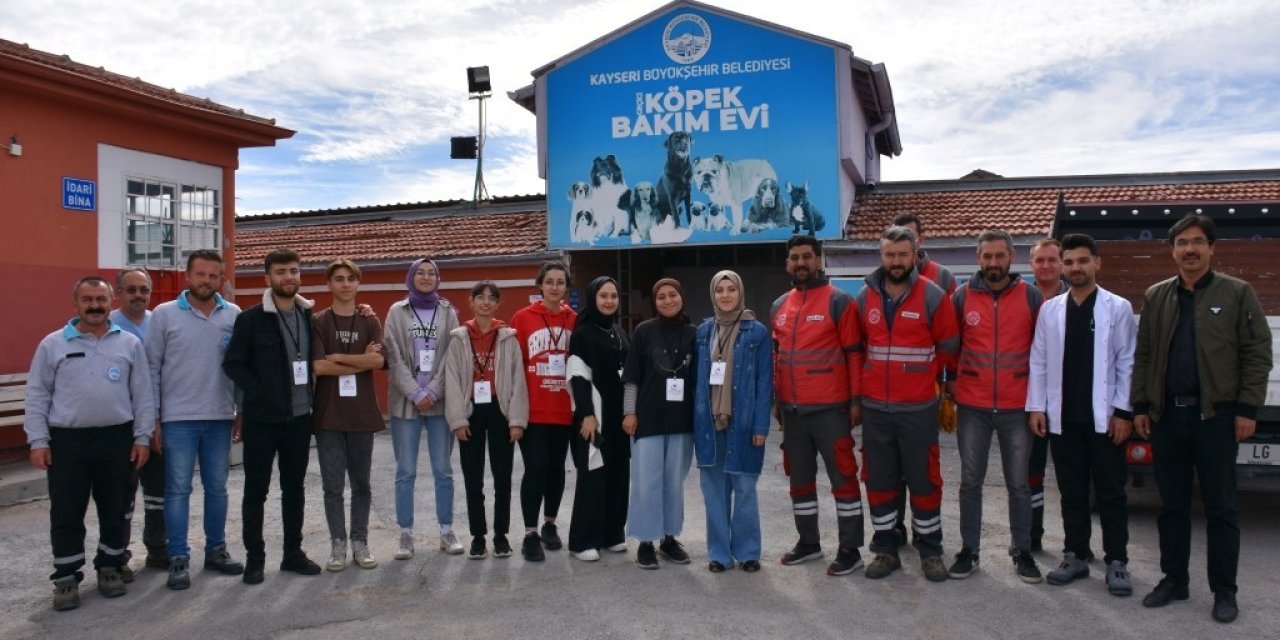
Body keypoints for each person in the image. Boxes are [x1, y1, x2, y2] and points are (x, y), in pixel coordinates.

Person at [1132, 214, 1271, 624]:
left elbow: (1257, 352)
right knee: (1171, 505)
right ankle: (1174, 579)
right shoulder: (1157, 295)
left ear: (1212, 248)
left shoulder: (1237, 293)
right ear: (1172, 250)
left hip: (1217, 417)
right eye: (1182, 243)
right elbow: (1144, 355)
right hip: (1168, 419)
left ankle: (1224, 591)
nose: (1189, 249)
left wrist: (1247, 409)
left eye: (1197, 242)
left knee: (1221, 507)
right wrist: (1141, 405)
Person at [25, 276, 154, 611]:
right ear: (75, 303)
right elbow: (38, 395)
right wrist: (38, 440)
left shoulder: (129, 344)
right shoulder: (52, 345)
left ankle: (110, 566)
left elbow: (142, 395)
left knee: (116, 506)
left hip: (117, 437)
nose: (95, 305)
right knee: (67, 510)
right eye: (88, 299)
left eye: (101, 299)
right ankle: (66, 577)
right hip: (68, 440)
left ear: (112, 300)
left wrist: (142, 437)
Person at [1026, 233, 1136, 596]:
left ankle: (1117, 560)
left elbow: (1127, 363)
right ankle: (1075, 554)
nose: (1075, 268)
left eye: (1082, 261)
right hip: (1063, 418)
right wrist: (1037, 407)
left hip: (1105, 419)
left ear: (1097, 263)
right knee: (1071, 491)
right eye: (1069, 262)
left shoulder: (1116, 307)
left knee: (1110, 491)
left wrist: (1123, 412)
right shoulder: (1051, 309)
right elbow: (1039, 360)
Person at [857, 226, 959, 582]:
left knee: (924, 480)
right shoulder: (864, 297)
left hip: (917, 407)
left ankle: (930, 550)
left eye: (902, 255)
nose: (896, 262)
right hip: (876, 409)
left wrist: (945, 393)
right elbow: (858, 349)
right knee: (879, 478)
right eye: (889, 255)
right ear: (880, 256)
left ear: (915, 254)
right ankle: (885, 549)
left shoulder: (933, 296)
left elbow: (949, 348)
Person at [945, 229, 1043, 583]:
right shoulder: (961, 296)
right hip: (973, 405)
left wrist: (1039, 402)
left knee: (1019, 484)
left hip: (1018, 406)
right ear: (978, 258)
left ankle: (1023, 550)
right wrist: (950, 384)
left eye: (1000, 256)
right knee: (971, 482)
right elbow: (950, 347)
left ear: (1011, 257)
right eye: (987, 256)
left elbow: (1041, 352)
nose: (993, 263)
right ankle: (969, 549)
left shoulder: (1030, 297)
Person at [223, 247, 323, 584]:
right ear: (268, 278)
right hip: (262, 421)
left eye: (293, 271)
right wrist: (260, 391)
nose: (288, 278)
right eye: (281, 272)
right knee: (256, 491)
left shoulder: (309, 316)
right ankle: (255, 559)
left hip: (299, 419)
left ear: (300, 276)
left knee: (294, 489)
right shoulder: (250, 319)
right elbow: (233, 363)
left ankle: (292, 554)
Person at [146, 250, 245, 590]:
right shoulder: (164, 315)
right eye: (200, 274)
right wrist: (154, 420)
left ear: (221, 279)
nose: (206, 281)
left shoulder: (232, 315)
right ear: (187, 276)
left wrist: (239, 410)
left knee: (217, 488)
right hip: (177, 420)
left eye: (213, 275)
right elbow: (151, 369)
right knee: (177, 490)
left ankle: (216, 550)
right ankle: (178, 556)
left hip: (219, 417)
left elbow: (239, 370)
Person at [771, 235, 867, 576]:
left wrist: (856, 401)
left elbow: (855, 354)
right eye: (794, 257)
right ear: (787, 263)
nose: (801, 263)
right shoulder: (779, 305)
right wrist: (777, 399)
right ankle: (808, 543)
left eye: (807, 257)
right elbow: (777, 357)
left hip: (832, 411)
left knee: (843, 479)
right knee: (800, 481)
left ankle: (850, 548)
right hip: (793, 414)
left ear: (818, 260)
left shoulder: (840, 301)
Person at [443, 281, 529, 560]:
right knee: (473, 479)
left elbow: (518, 380)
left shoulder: (508, 337)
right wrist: (457, 419)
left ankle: (501, 536)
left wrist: (516, 419)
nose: (485, 302)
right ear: (471, 301)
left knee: (502, 478)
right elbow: (452, 381)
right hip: (471, 412)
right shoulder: (458, 338)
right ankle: (478, 537)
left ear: (497, 304)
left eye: (492, 298)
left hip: (500, 409)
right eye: (480, 297)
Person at [383, 258, 462, 559]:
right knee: (405, 471)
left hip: (440, 403)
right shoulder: (396, 311)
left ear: (438, 279)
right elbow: (393, 355)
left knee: (443, 469)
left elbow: (452, 355)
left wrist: (433, 390)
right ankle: (406, 534)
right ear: (411, 277)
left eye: (432, 273)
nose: (426, 278)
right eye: (421, 273)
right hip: (406, 403)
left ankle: (446, 529)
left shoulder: (448, 312)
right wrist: (416, 392)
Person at [694, 270, 772, 573]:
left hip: (744, 423)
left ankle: (748, 552)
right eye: (719, 290)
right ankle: (719, 554)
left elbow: (764, 382)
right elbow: (697, 382)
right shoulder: (702, 332)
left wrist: (761, 427)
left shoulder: (757, 332)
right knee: (713, 492)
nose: (725, 295)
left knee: (745, 488)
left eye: (731, 289)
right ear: (713, 295)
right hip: (709, 424)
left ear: (741, 293)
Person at [311, 259, 386, 571]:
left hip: (361, 415)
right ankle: (338, 544)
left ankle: (360, 541)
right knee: (332, 486)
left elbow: (379, 363)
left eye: (350, 279)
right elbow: (319, 367)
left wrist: (340, 356)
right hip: (328, 416)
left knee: (362, 484)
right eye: (338, 279)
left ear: (358, 284)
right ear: (329, 284)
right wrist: (362, 359)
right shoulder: (318, 321)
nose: (345, 284)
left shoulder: (370, 320)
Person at [890, 212, 957, 546]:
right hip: (889, 398)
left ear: (919, 243)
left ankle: (926, 533)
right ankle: (895, 527)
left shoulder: (941, 278)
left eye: (910, 240)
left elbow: (950, 339)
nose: (902, 254)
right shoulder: (884, 282)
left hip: (925, 393)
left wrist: (946, 390)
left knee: (923, 468)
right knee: (892, 469)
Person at [622, 278, 696, 569]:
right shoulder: (643, 331)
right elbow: (631, 377)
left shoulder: (694, 333)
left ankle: (668, 538)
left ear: (682, 297)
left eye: (673, 295)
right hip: (648, 419)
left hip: (682, 421)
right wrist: (629, 413)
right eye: (661, 297)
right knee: (646, 483)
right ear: (655, 302)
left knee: (673, 484)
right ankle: (645, 541)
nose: (668, 300)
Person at [509, 261, 578, 561]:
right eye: (549, 281)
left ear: (566, 287)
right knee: (535, 468)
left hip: (564, 409)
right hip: (533, 410)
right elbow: (512, 365)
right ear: (540, 285)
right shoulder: (522, 318)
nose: (554, 286)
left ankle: (550, 524)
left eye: (560, 282)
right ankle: (529, 533)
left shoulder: (574, 319)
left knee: (556, 470)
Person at [566, 276, 630, 562]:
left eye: (613, 296)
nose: (609, 301)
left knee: (618, 475)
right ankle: (582, 541)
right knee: (592, 477)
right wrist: (587, 415)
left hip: (619, 420)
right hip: (596, 418)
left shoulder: (619, 331)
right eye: (603, 295)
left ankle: (612, 533)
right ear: (593, 298)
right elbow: (578, 377)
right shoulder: (583, 334)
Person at [111, 268, 165, 577]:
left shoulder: (158, 322)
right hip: (122, 426)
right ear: (119, 293)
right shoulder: (109, 325)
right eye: (131, 289)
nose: (138, 296)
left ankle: (158, 550)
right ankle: (118, 556)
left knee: (158, 494)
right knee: (122, 497)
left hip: (157, 422)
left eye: (143, 290)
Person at [1028, 237, 1068, 551]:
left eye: (1052, 260)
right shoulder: (1023, 298)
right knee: (1032, 474)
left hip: (1070, 401)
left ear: (1062, 263)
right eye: (1040, 260)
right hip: (1030, 401)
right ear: (1031, 265)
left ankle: (1076, 543)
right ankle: (1032, 536)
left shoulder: (1077, 297)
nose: (1046, 266)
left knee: (1072, 476)